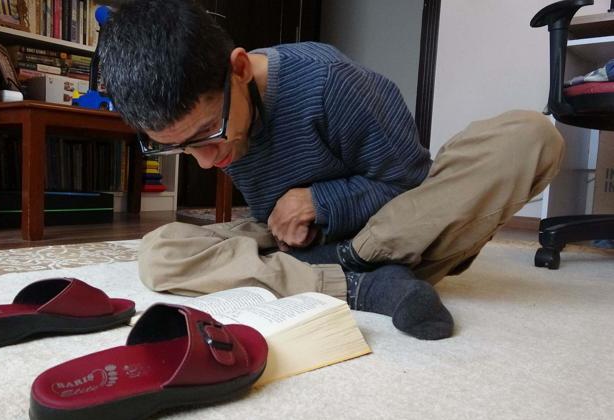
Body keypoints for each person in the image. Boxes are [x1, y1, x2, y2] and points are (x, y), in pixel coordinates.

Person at [97, 0, 564, 340]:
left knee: (531, 135)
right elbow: (266, 218)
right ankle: (362, 286)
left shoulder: (330, 83)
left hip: (388, 235)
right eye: (179, 148)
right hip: (298, 245)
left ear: (239, 69)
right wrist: (287, 221)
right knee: (160, 252)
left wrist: (319, 201)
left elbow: (411, 186)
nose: (206, 160)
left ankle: (352, 268)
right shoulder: (214, 115)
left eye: (209, 133)